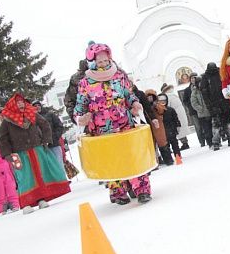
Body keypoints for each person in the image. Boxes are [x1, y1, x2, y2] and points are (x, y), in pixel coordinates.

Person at [74, 42, 151, 205]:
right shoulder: (85, 82)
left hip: (124, 124)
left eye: (105, 60)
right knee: (111, 160)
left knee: (132, 155)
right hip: (102, 130)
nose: (103, 64)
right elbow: (80, 107)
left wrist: (135, 103)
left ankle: (142, 189)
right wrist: (81, 118)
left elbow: (129, 94)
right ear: (92, 62)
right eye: (99, 61)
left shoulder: (119, 75)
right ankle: (118, 192)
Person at [0, 93, 70, 214]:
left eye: (22, 101)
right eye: (18, 102)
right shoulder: (7, 119)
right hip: (19, 154)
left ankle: (41, 199)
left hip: (37, 150)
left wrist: (46, 140)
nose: (21, 104)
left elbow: (45, 124)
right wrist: (7, 154)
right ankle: (26, 203)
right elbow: (2, 139)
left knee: (39, 175)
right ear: (13, 105)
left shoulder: (31, 113)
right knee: (24, 177)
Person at [201, 62, 230, 147]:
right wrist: (209, 106)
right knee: (221, 124)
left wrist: (209, 105)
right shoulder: (207, 77)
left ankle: (225, 140)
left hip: (222, 102)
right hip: (218, 104)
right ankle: (220, 141)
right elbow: (204, 93)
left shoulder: (218, 74)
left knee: (222, 124)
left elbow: (204, 93)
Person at [0, 108, 20, 214]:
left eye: (3, 113)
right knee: (0, 183)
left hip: (8, 153)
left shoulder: (8, 125)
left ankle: (14, 203)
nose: (1, 115)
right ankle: (2, 207)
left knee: (11, 180)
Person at [32, 100, 65, 172]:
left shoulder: (50, 114)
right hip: (42, 148)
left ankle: (62, 178)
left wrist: (54, 137)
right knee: (49, 168)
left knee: (59, 165)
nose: (37, 107)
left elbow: (59, 126)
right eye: (35, 106)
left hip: (54, 144)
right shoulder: (32, 119)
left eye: (38, 105)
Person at [145, 90, 174, 166]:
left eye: (151, 97)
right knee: (153, 146)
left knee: (163, 143)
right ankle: (156, 162)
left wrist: (156, 106)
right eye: (148, 97)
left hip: (158, 127)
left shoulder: (157, 104)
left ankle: (168, 160)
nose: (150, 99)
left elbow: (162, 111)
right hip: (151, 127)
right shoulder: (145, 106)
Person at [160, 83, 191, 150]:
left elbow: (167, 107)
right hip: (180, 114)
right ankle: (185, 142)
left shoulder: (167, 97)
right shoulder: (173, 95)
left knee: (178, 130)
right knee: (181, 129)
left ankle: (184, 144)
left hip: (174, 115)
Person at [189, 77, 218, 150]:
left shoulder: (206, 89)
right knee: (207, 129)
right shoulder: (194, 92)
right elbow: (194, 103)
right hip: (202, 114)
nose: (200, 84)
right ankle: (210, 143)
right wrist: (201, 109)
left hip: (210, 112)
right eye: (198, 83)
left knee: (214, 128)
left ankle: (216, 142)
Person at [156, 93, 183, 162]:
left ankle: (178, 157)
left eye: (164, 100)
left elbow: (176, 119)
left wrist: (178, 126)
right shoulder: (157, 111)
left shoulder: (171, 109)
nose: (162, 102)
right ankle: (169, 159)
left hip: (172, 130)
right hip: (163, 132)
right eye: (160, 101)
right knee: (166, 146)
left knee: (175, 144)